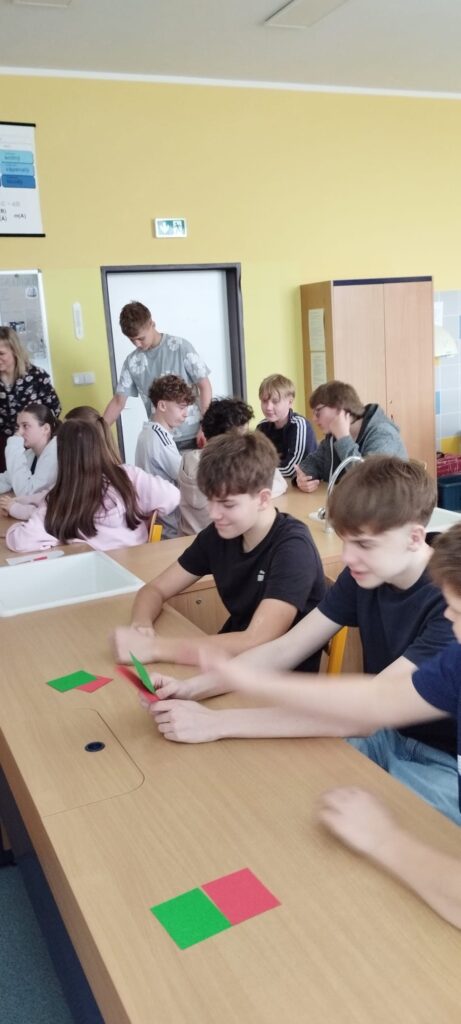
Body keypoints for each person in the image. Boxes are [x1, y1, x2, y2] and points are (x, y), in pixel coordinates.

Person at [143, 457, 458, 821]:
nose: (348, 557)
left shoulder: (452, 606)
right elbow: (287, 648)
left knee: (395, 831)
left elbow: (367, 710)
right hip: (381, 733)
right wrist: (191, 688)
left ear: (414, 538)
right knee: (284, 799)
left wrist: (216, 723)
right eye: (344, 540)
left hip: (442, 759)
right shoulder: (365, 574)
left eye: (364, 544)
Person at [112, 430, 326, 668]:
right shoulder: (219, 534)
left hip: (278, 680)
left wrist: (155, 648)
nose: (213, 514)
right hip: (230, 666)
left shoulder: (293, 548)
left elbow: (258, 639)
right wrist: (141, 626)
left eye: (227, 504)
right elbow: (154, 589)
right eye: (210, 500)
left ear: (263, 499)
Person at [6, 419, 180, 552]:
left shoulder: (61, 497)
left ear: (62, 456)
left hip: (97, 574)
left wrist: (53, 537)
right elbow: (173, 496)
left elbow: (20, 541)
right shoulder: (128, 475)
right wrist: (143, 513)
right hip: (140, 566)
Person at [103, 301, 212, 449]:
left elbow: (205, 386)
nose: (137, 344)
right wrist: (98, 431)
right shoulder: (132, 362)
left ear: (152, 324)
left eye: (141, 338)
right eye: (132, 340)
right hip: (160, 439)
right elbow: (118, 402)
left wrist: (205, 427)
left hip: (193, 436)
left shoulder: (181, 347)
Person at [179, 397, 287, 536]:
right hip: (222, 539)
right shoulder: (232, 468)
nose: (248, 439)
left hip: (184, 538)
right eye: (245, 434)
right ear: (232, 440)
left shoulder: (187, 459)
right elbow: (277, 483)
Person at [295, 380, 407, 493]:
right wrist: (304, 479)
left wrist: (343, 438)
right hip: (348, 501)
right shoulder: (333, 436)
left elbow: (370, 481)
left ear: (339, 407)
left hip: (389, 502)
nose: (314, 419)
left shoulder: (383, 434)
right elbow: (313, 462)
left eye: (318, 411)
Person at [135, 374, 195, 538]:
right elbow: (183, 474)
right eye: (181, 408)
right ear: (162, 405)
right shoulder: (160, 438)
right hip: (167, 522)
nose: (186, 414)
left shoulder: (147, 432)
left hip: (157, 517)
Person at [0, 326, 61, 472]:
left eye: (1, 353)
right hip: (3, 445)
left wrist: (39, 437)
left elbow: (54, 409)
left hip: (35, 444)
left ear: (14, 351)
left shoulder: (36, 376)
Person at [0, 404, 59, 521]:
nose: (19, 432)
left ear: (45, 429)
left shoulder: (55, 455)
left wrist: (14, 447)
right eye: (18, 427)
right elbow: (7, 479)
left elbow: (26, 493)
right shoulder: (30, 454)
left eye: (25, 426)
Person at [256, 373, 317, 481]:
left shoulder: (300, 425)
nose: (268, 407)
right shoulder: (261, 427)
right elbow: (254, 461)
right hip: (272, 483)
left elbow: (292, 469)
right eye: (264, 401)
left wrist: (257, 473)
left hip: (300, 485)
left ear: (290, 402)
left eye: (275, 401)